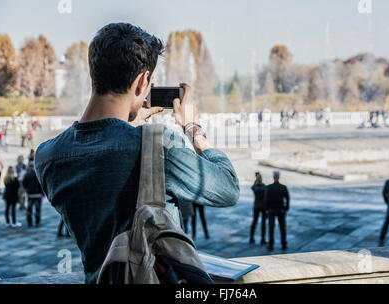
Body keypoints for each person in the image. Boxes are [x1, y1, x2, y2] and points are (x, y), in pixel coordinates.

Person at [34, 23, 239, 284]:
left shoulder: (48, 156)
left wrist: (128, 124)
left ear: (93, 72)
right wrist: (192, 128)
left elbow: (101, 159)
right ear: (143, 82)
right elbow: (228, 187)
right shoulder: (157, 146)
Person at [265, 170, 290, 251]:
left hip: (271, 210)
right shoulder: (283, 187)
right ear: (279, 177)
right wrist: (286, 208)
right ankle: (284, 245)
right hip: (281, 210)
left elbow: (266, 199)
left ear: (273, 177)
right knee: (282, 228)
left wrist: (266, 210)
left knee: (271, 228)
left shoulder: (269, 187)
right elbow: (287, 198)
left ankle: (271, 245)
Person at [23, 162, 43, 227]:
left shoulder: (26, 175)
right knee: (37, 209)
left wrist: (27, 189)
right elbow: (41, 184)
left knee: (29, 209)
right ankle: (37, 222)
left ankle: (30, 223)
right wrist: (42, 193)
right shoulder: (38, 174)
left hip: (30, 194)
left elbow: (24, 184)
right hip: (38, 194)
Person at [250, 172, 267, 245]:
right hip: (263, 207)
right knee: (263, 223)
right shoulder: (264, 187)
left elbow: (252, 187)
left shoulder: (255, 187)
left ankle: (251, 238)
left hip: (256, 206)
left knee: (254, 222)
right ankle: (262, 239)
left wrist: (256, 180)